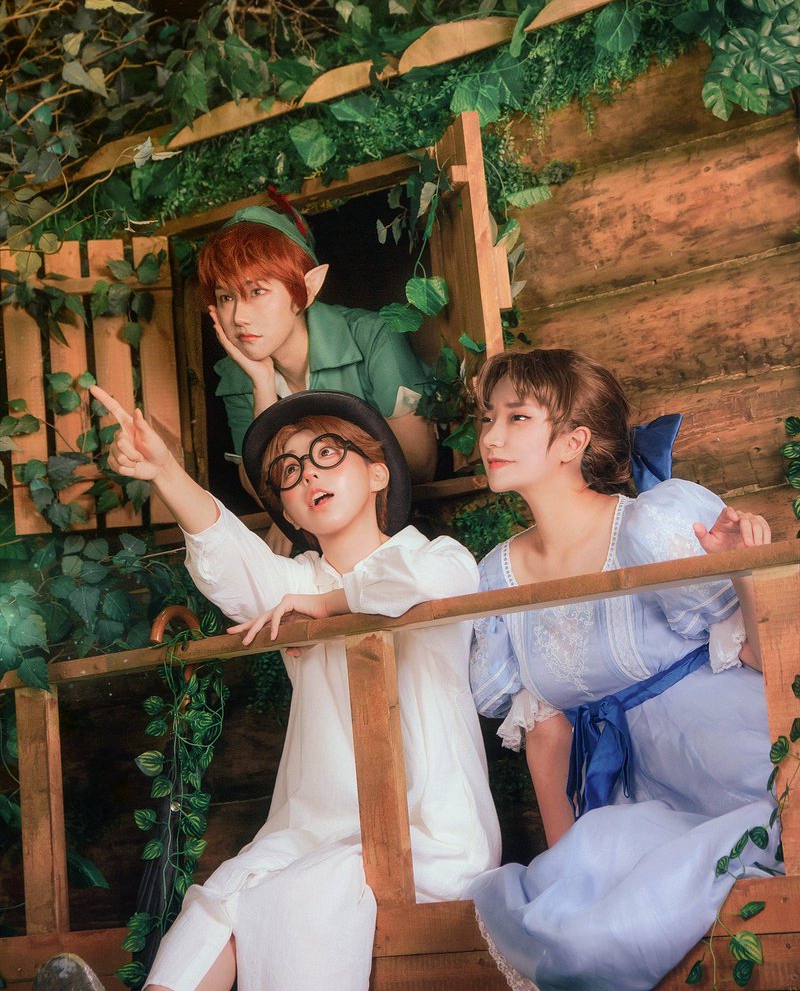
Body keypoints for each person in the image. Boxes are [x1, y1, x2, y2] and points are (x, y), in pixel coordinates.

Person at [51, 384, 500, 991]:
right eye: (289, 470)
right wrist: (165, 472)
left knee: (298, 895)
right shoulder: (293, 585)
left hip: (430, 835)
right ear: (290, 515)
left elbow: (419, 585)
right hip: (310, 832)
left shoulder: (438, 557)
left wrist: (326, 606)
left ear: (377, 474)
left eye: (327, 453)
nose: (307, 472)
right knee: (219, 900)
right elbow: (232, 564)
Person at [468, 348, 777, 991]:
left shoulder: (650, 523)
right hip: (639, 799)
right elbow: (546, 732)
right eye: (487, 417)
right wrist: (567, 867)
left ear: (572, 442)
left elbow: (758, 656)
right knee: (568, 925)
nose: (491, 437)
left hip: (735, 761)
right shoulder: (496, 576)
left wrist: (743, 571)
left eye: (517, 417)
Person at [198, 202, 437, 488]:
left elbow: (418, 466)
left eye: (257, 291)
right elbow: (262, 490)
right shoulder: (237, 372)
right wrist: (262, 385)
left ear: (308, 288)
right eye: (226, 297)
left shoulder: (373, 337)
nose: (239, 317)